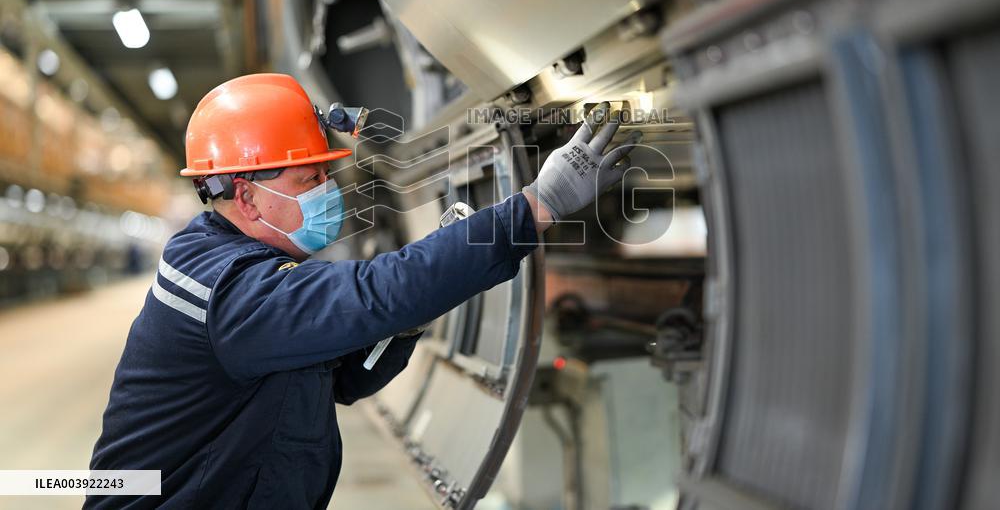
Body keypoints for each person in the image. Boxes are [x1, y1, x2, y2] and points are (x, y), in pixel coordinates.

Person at [86, 73, 639, 508]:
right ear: (247, 198)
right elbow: (376, 293)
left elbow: (340, 377)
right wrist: (534, 207)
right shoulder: (229, 290)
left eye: (326, 176)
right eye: (309, 180)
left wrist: (409, 312)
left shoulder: (237, 263)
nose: (328, 192)